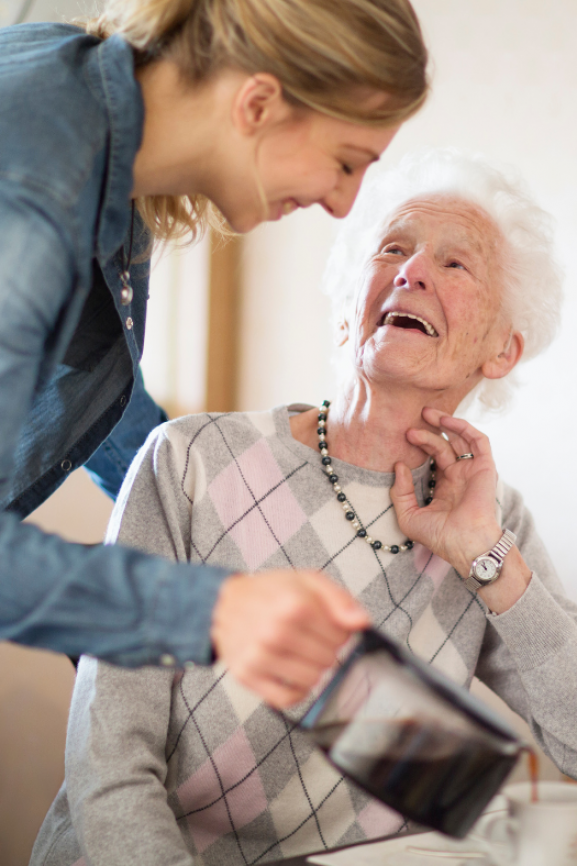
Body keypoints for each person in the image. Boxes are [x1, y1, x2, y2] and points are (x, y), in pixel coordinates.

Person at [31, 149, 577, 866]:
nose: (411, 271)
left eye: (455, 264)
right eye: (393, 248)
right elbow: (110, 753)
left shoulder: (491, 521)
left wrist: (483, 556)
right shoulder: (192, 457)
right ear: (352, 307)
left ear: (501, 351)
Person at [0, 0, 427, 696]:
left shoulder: (85, 106)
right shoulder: (37, 193)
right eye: (345, 163)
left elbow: (88, 376)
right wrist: (210, 609)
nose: (343, 205)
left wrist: (215, 524)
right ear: (258, 103)